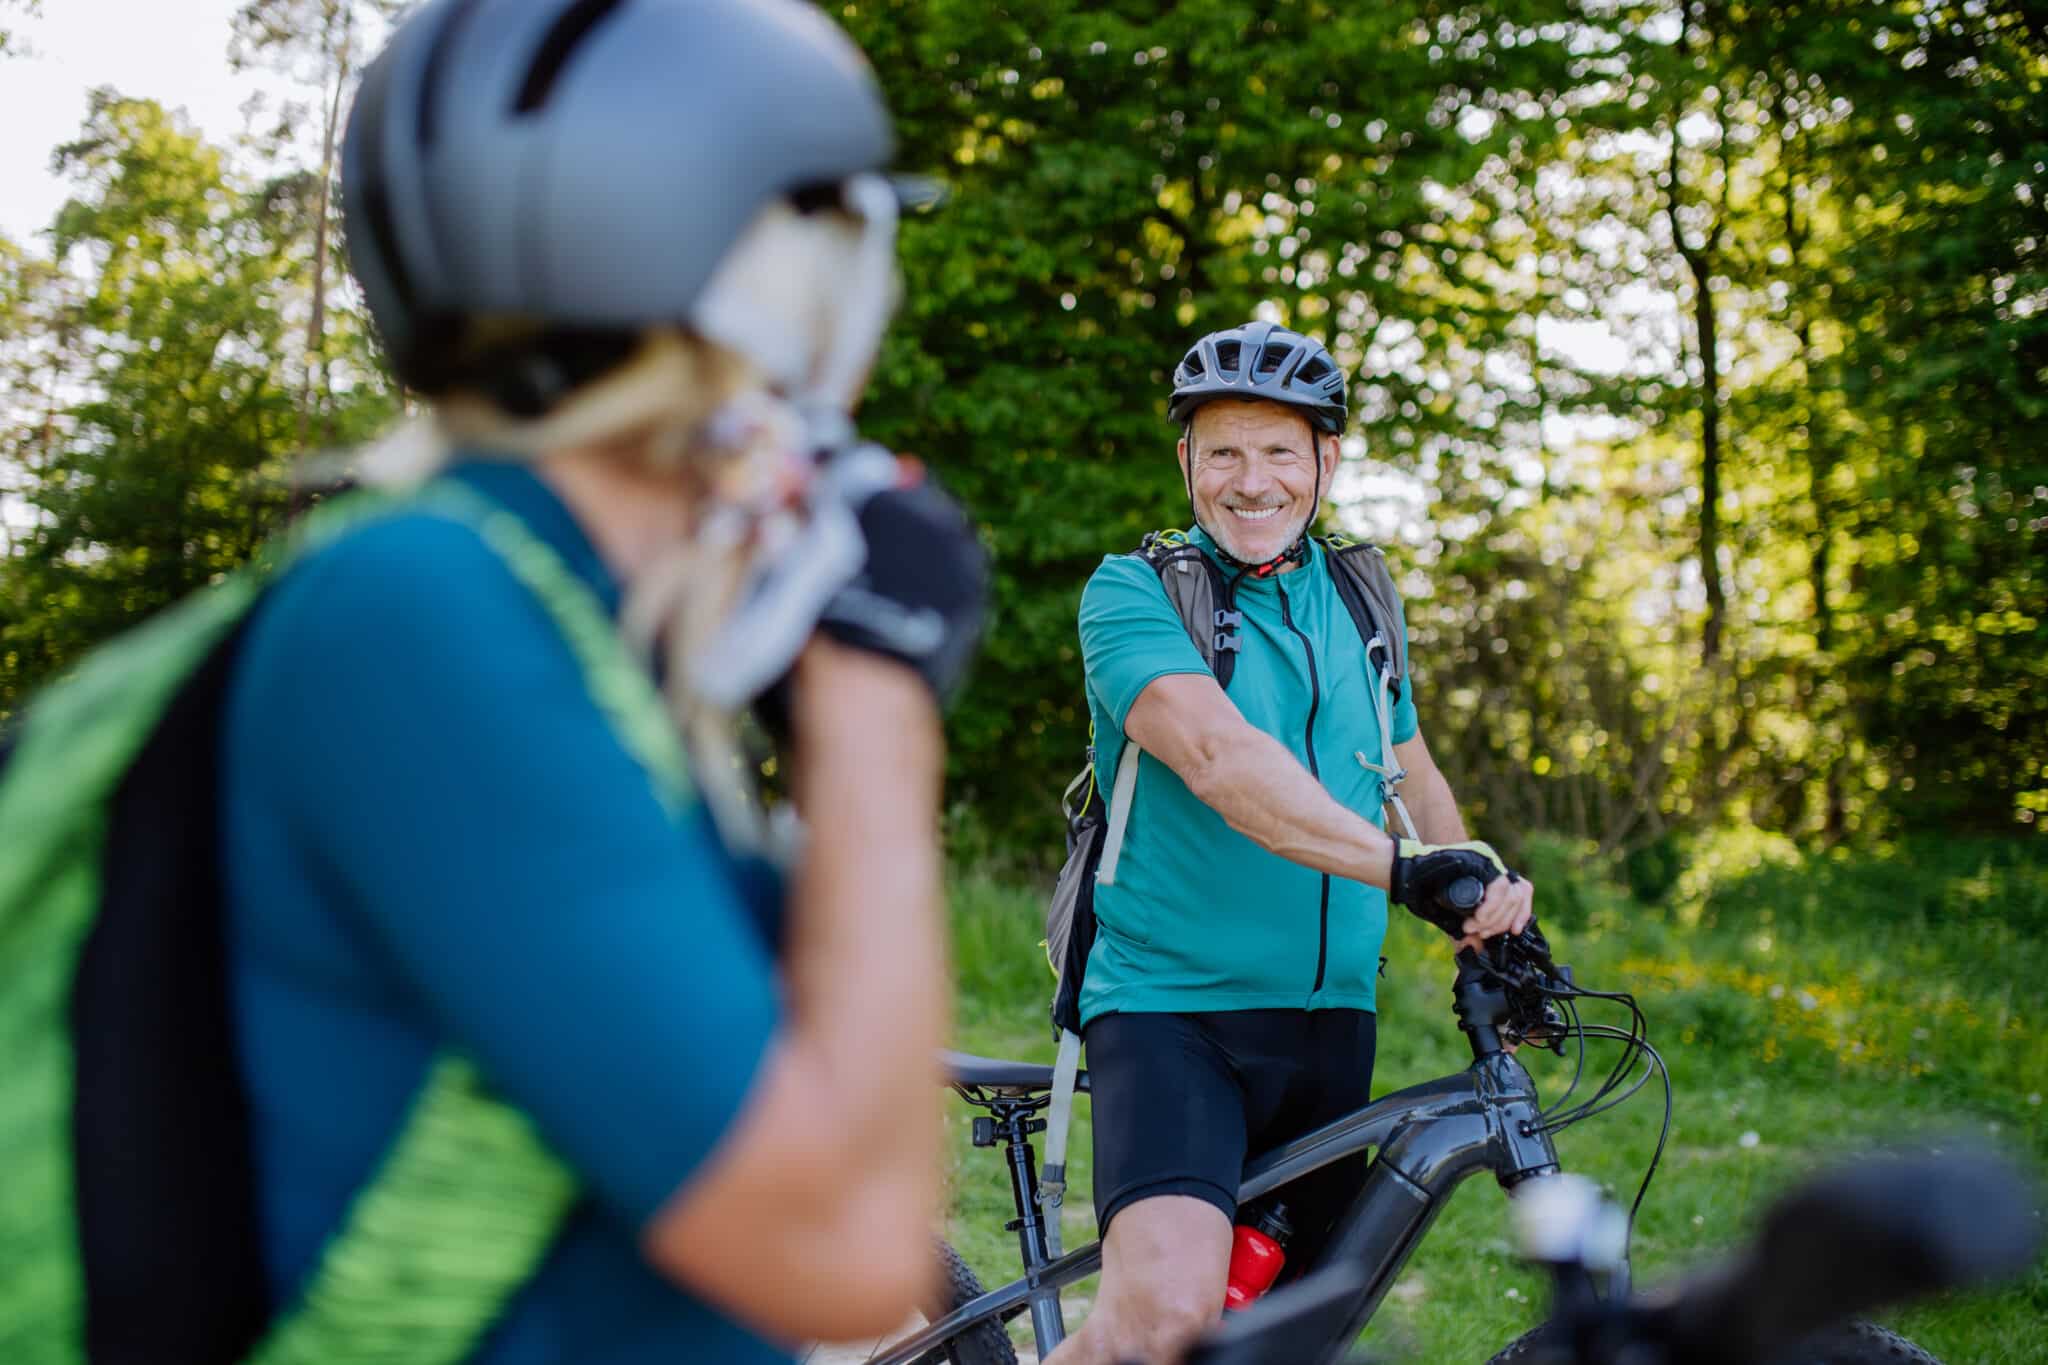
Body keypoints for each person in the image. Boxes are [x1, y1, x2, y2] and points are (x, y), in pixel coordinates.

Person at [219, 0, 981, 1360]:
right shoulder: (429, 617)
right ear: (764, 272)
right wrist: (874, 692)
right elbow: (854, 1250)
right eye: (849, 236)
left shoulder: (569, 633)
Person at [1044, 321, 1534, 1365]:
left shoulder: (1360, 593)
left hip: (1326, 1025)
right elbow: (1220, 761)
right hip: (1169, 1010)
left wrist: (1484, 904)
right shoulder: (1132, 593)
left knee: (1281, 1336)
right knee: (1163, 1321)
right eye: (1221, 450)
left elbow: (1408, 771)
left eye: (1278, 450)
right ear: (1185, 462)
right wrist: (1403, 873)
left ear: (1326, 459)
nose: (1249, 480)